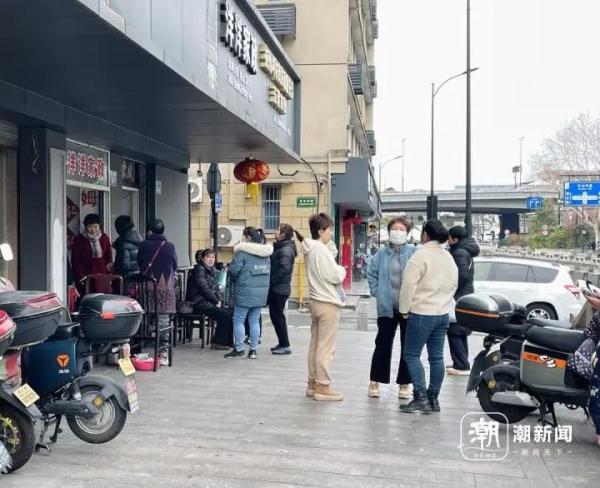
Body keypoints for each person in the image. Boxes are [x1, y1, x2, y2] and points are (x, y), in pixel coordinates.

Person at [398, 220, 458, 413]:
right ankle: (434, 399)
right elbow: (454, 284)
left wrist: (404, 309)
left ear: (425, 235)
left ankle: (420, 397)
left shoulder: (420, 256)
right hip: (442, 314)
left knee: (412, 354)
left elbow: (408, 286)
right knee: (437, 357)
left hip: (422, 312)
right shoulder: (448, 256)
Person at [296, 213, 346, 401]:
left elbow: (329, 253)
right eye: (329, 230)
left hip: (316, 302)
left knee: (316, 345)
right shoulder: (319, 250)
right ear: (320, 231)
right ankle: (323, 386)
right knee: (326, 348)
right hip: (327, 302)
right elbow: (334, 275)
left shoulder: (311, 248)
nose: (332, 233)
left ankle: (313, 383)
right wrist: (342, 270)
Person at [367, 217, 416, 399]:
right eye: (394, 228)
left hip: (408, 308)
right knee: (382, 345)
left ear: (407, 232)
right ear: (389, 232)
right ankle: (375, 381)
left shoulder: (413, 252)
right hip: (386, 307)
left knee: (408, 346)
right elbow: (371, 274)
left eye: (402, 229)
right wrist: (377, 292)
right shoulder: (382, 253)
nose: (398, 232)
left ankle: (404, 384)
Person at [225, 227, 273, 359]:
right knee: (254, 320)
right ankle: (253, 350)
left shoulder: (243, 253)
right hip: (261, 292)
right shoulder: (266, 254)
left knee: (238, 319)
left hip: (245, 290)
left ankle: (239, 348)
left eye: (243, 236)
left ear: (248, 238)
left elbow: (234, 270)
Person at [137, 218, 178, 366]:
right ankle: (163, 353)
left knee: (143, 317)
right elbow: (175, 264)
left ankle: (139, 351)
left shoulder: (143, 245)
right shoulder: (170, 246)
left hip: (146, 287)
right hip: (165, 286)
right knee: (163, 319)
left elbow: (140, 262)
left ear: (149, 231)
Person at [446, 225, 480, 376]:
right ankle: (461, 362)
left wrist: (453, 290)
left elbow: (463, 275)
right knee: (459, 331)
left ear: (455, 239)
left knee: (454, 330)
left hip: (459, 296)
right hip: (465, 295)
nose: (448, 241)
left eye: (449, 238)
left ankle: (461, 365)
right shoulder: (466, 250)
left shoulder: (459, 252)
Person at [186, 248, 233, 350]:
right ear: (203, 259)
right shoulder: (199, 270)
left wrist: (220, 300)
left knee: (230, 312)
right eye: (208, 257)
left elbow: (216, 288)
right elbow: (204, 289)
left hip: (207, 301)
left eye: (213, 257)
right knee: (224, 315)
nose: (211, 259)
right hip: (198, 303)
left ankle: (228, 342)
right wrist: (216, 301)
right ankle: (217, 342)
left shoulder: (211, 270)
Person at [268, 223, 297, 355]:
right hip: (279, 288)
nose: (275, 232)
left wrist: (272, 280)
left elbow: (284, 268)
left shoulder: (285, 249)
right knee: (276, 316)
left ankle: (285, 345)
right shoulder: (283, 247)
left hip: (279, 289)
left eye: (277, 230)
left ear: (283, 234)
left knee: (278, 317)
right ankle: (282, 343)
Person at [71, 213, 113, 294]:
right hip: (86, 275)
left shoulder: (104, 238)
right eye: (90, 227)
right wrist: (81, 276)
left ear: (99, 226)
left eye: (95, 226)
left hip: (102, 275)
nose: (93, 229)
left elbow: (108, 257)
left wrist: (109, 274)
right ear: (85, 227)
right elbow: (76, 260)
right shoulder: (79, 240)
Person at [112, 215, 143, 291]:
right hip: (139, 279)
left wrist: (115, 266)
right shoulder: (140, 238)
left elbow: (124, 265)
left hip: (126, 281)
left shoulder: (123, 243)